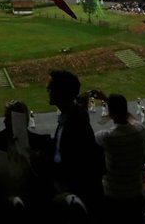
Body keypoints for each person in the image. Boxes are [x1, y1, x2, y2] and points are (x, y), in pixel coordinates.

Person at [43, 70, 104, 214]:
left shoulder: (76, 122)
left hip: (74, 196)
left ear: (61, 92)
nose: (47, 90)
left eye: (50, 88)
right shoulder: (71, 117)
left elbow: (77, 164)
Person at [94, 93, 145, 222]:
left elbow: (85, 135)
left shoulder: (107, 137)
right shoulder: (140, 130)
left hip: (113, 196)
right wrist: (112, 105)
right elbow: (131, 119)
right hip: (137, 194)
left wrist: (108, 104)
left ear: (110, 113)